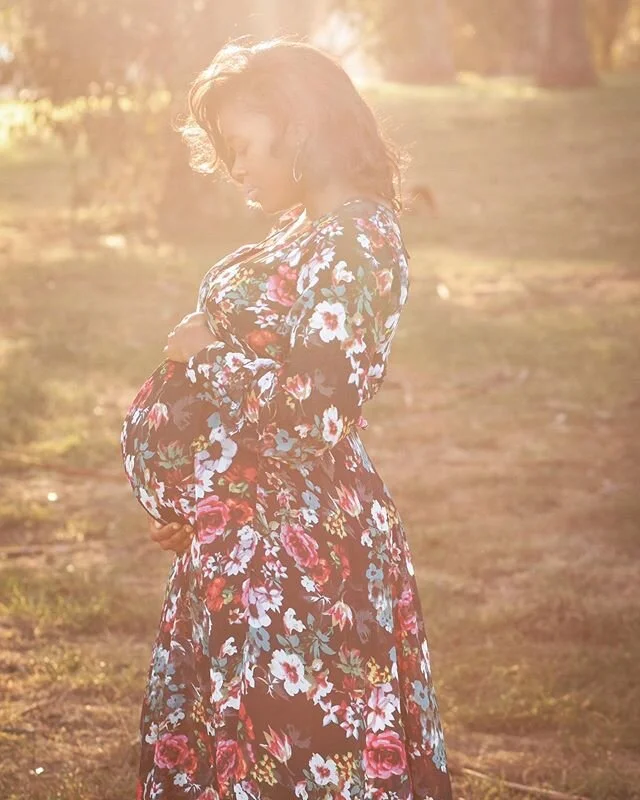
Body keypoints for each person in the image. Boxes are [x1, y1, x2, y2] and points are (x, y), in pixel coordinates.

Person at [121, 37, 453, 800]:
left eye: (240, 146)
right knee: (236, 758)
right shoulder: (305, 230)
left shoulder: (361, 239)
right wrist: (194, 496)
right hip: (243, 545)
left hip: (301, 563)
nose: (235, 168)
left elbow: (314, 417)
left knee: (296, 764)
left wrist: (204, 356)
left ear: (297, 125)